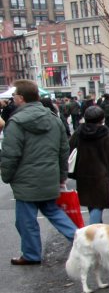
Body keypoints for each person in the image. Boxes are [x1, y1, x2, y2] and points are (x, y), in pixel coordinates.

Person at [0, 79, 77, 265]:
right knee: (55, 213)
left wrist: (6, 175)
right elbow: (63, 150)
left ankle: (31, 254)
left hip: (25, 179)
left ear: (20, 98)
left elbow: (11, 154)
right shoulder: (53, 118)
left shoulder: (16, 122)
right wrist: (61, 175)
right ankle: (82, 242)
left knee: (26, 222)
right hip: (49, 176)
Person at [68, 105, 109, 225]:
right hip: (100, 174)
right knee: (98, 205)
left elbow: (70, 149)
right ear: (102, 119)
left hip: (83, 174)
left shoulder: (78, 133)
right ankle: (92, 234)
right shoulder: (105, 135)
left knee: (91, 205)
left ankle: (98, 232)